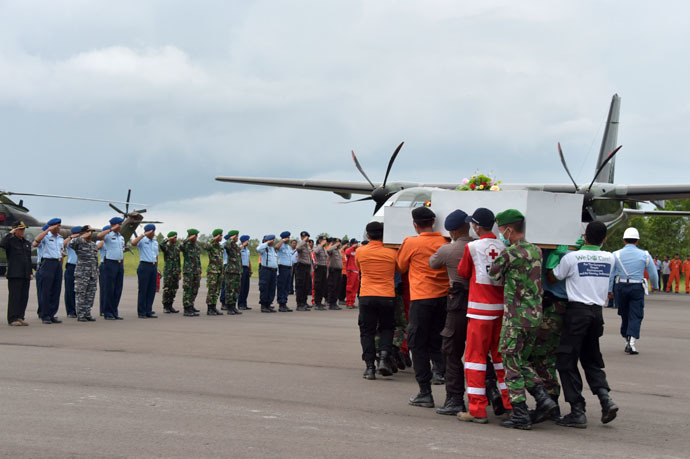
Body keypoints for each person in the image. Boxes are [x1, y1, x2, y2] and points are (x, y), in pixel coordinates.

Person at [489, 209, 557, 430]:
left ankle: (520, 413)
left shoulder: (511, 253)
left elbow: (493, 273)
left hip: (515, 318)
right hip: (535, 317)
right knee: (522, 361)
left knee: (511, 365)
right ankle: (544, 399)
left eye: (501, 230)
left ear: (509, 229)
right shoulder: (536, 250)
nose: (501, 234)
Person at [550, 221, 618, 428]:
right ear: (604, 239)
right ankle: (606, 399)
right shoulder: (610, 258)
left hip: (577, 313)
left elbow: (553, 277)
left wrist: (557, 255)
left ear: (585, 236)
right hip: (597, 314)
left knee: (565, 361)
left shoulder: (572, 257)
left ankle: (577, 411)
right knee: (591, 358)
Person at [457, 208, 511, 424]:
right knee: (501, 359)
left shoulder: (472, 247)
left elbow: (463, 272)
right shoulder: (505, 247)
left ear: (477, 226)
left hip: (479, 311)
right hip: (501, 309)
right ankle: (509, 403)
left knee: (475, 360)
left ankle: (477, 408)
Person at [396, 207, 449, 408]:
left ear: (415, 225)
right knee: (439, 343)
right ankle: (450, 388)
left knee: (417, 345)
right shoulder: (445, 241)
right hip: (444, 299)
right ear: (434, 222)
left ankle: (425, 392)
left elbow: (400, 266)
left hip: (421, 299)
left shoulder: (411, 242)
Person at [428, 209, 472, 415]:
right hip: (482, 304)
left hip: (457, 304)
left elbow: (432, 263)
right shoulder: (480, 246)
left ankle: (455, 399)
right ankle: (493, 395)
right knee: (482, 352)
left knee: (452, 352)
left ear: (452, 231)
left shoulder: (448, 250)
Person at [355, 222, 398, 380]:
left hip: (366, 295)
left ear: (367, 236)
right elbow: (399, 268)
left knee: (367, 331)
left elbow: (358, 267)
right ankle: (383, 358)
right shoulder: (392, 252)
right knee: (387, 328)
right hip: (387, 295)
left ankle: (369, 367)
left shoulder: (360, 251)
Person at [610, 227, 659, 355]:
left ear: (624, 240)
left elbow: (611, 274)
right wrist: (655, 286)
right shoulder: (645, 254)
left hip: (620, 286)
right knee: (636, 314)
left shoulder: (616, 254)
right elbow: (653, 274)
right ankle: (631, 341)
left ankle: (627, 337)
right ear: (637, 241)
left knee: (624, 313)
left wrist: (609, 290)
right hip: (637, 287)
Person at [0, 221, 33, 326]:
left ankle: (20, 317)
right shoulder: (10, 241)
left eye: (23, 229)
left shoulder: (26, 243)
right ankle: (12, 318)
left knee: (24, 297)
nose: (22, 231)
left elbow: (28, 259)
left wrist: (30, 272)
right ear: (15, 230)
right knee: (15, 297)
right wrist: (10, 233)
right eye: (20, 229)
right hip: (15, 273)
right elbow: (2, 244)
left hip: (25, 274)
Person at [33, 217, 64, 324]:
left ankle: (52, 314)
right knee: (46, 290)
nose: (59, 227)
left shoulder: (60, 238)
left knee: (56, 290)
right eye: (58, 226)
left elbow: (61, 251)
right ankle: (45, 314)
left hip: (57, 264)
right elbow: (35, 243)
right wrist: (48, 230)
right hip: (47, 263)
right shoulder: (45, 237)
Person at [97, 217, 125, 320]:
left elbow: (122, 251)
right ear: (115, 224)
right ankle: (107, 312)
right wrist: (111, 229)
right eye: (120, 224)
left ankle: (114, 311)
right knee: (109, 289)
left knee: (118, 289)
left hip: (119, 264)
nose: (121, 226)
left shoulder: (121, 237)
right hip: (110, 263)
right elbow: (99, 236)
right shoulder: (108, 236)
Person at [69, 225, 99, 322]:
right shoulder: (79, 242)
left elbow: (96, 260)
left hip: (92, 273)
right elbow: (71, 243)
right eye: (88, 231)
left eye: (92, 232)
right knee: (81, 294)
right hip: (82, 273)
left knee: (90, 295)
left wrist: (96, 272)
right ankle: (81, 314)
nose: (91, 233)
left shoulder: (93, 245)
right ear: (83, 232)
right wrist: (82, 236)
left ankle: (87, 313)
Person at [132, 223, 159, 319]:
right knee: (143, 290)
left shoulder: (155, 243)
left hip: (152, 267)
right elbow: (133, 243)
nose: (154, 233)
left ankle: (148, 310)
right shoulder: (142, 241)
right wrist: (144, 234)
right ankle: (141, 312)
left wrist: (156, 268)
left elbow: (156, 256)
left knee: (151, 290)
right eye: (152, 231)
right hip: (144, 266)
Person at [181, 229, 202, 317]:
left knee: (195, 289)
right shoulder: (186, 245)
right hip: (188, 271)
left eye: (196, 236)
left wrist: (200, 271)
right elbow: (180, 247)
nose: (196, 238)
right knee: (188, 289)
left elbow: (198, 260)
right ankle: (187, 308)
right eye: (195, 236)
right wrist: (188, 239)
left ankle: (191, 305)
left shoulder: (196, 247)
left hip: (196, 271)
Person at [204, 229, 225, 316]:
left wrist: (222, 271)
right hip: (212, 271)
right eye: (220, 235)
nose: (221, 237)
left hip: (219, 270)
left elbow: (221, 259)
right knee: (211, 290)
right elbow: (206, 246)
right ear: (216, 236)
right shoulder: (211, 245)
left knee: (217, 290)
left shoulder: (219, 246)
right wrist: (214, 239)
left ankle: (214, 307)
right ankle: (209, 308)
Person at [159, 231, 181, 314]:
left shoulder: (176, 248)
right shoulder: (166, 247)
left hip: (175, 271)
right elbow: (161, 245)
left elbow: (178, 261)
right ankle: (165, 306)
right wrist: (167, 239)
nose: (176, 239)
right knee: (167, 288)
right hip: (168, 271)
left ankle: (170, 305)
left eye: (176, 237)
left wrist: (179, 272)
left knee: (174, 289)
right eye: (174, 237)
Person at [63, 226, 82, 318]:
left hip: (82, 267)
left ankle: (80, 310)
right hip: (72, 266)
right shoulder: (70, 242)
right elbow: (62, 245)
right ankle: (71, 311)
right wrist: (72, 237)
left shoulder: (84, 242)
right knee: (70, 289)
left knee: (81, 290)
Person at [256, 235, 279, 313]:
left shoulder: (272, 249)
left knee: (272, 288)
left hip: (273, 271)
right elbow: (258, 249)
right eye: (272, 240)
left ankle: (269, 304)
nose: (273, 242)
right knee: (264, 287)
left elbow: (275, 261)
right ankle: (263, 305)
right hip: (266, 270)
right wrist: (266, 243)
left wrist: (277, 271)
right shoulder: (264, 248)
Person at [223, 230, 243, 315]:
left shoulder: (236, 246)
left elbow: (239, 260)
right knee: (230, 290)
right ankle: (229, 307)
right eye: (236, 236)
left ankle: (234, 306)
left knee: (236, 290)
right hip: (231, 271)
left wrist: (240, 271)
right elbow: (226, 245)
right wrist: (230, 238)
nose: (237, 238)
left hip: (237, 271)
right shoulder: (229, 245)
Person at [275, 231, 294, 312]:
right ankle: (281, 304)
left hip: (288, 268)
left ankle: (285, 303)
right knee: (281, 286)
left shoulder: (289, 247)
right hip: (282, 268)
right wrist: (282, 240)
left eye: (289, 237)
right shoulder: (281, 245)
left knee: (287, 287)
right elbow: (276, 247)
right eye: (287, 237)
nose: (289, 239)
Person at [294, 231, 312, 311]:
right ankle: (299, 304)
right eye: (304, 237)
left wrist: (311, 269)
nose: (306, 238)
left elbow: (310, 258)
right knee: (300, 286)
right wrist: (303, 240)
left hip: (307, 267)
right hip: (301, 266)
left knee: (306, 286)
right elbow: (297, 248)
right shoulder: (301, 244)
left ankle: (304, 302)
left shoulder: (307, 246)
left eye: (307, 237)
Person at [326, 238, 343, 310]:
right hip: (333, 271)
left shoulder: (338, 251)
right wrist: (334, 245)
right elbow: (328, 250)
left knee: (337, 287)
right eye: (337, 242)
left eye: (339, 242)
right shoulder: (332, 250)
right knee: (333, 287)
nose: (339, 244)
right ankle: (331, 303)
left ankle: (334, 303)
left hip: (339, 271)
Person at [312, 236, 329, 309]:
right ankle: (317, 302)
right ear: (320, 241)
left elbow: (326, 260)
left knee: (323, 286)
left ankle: (320, 302)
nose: (325, 241)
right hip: (319, 267)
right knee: (318, 286)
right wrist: (321, 244)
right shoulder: (317, 247)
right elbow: (315, 252)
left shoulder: (324, 249)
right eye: (324, 240)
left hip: (324, 268)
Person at [238, 235, 252, 310]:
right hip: (241, 268)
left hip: (246, 269)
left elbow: (248, 260)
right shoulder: (240, 249)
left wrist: (250, 269)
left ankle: (244, 303)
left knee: (246, 287)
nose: (248, 242)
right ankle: (240, 304)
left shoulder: (247, 250)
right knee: (241, 288)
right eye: (247, 240)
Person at [344, 239, 360, 309]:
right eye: (355, 243)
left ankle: (352, 302)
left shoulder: (357, 251)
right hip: (351, 271)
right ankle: (349, 302)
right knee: (350, 287)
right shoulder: (349, 250)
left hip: (357, 271)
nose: (357, 244)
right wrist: (352, 247)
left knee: (355, 288)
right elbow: (346, 253)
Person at [97, 225, 108, 316]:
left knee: (113, 288)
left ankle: (111, 308)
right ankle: (103, 309)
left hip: (113, 264)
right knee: (104, 288)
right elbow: (97, 247)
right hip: (104, 264)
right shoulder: (101, 241)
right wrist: (105, 239)